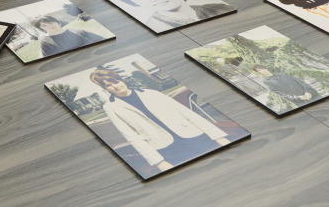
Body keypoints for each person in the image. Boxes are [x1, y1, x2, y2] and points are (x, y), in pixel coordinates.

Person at [89, 68, 230, 172]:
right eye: (108, 85)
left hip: (196, 137)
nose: (115, 86)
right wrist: (159, 162)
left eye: (115, 81)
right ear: (105, 88)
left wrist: (219, 137)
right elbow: (132, 137)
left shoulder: (152, 93)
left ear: (121, 79)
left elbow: (189, 115)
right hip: (167, 149)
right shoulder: (112, 107)